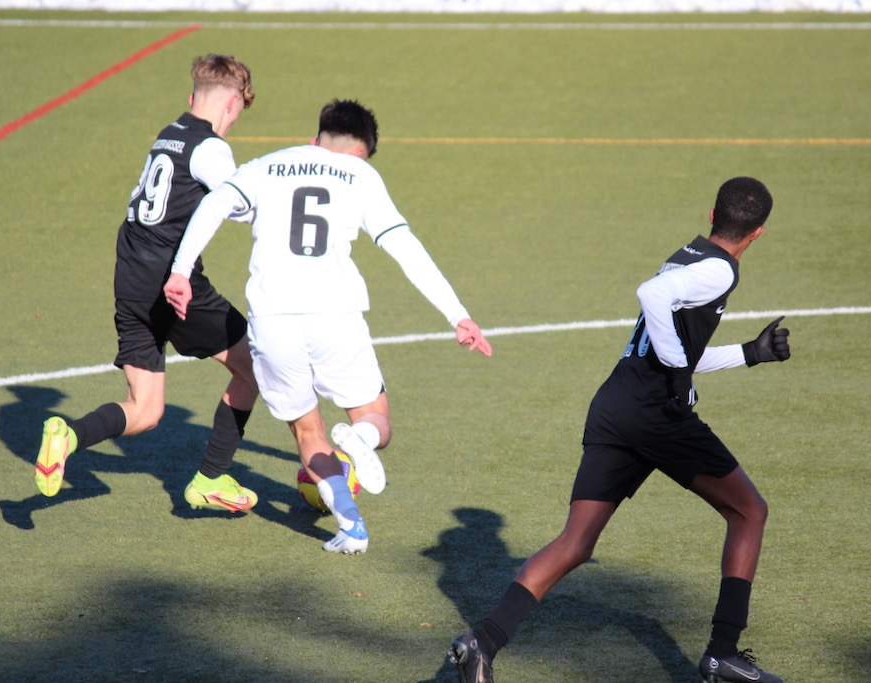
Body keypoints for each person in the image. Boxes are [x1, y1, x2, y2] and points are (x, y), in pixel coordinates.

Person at [448, 177, 790, 683]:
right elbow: (653, 301)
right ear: (758, 232)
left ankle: (483, 642)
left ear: (711, 213)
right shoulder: (719, 269)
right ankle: (722, 654)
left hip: (616, 404)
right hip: (656, 414)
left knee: (576, 541)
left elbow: (671, 344)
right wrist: (680, 374)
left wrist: (749, 354)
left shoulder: (688, 254)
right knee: (749, 512)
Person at [163, 99, 493, 555]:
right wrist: (458, 315)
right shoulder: (361, 176)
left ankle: (352, 527)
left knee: (308, 432)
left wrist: (180, 271)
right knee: (377, 420)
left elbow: (213, 205)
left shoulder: (267, 165)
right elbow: (404, 246)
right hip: (334, 316)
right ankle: (360, 439)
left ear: (315, 139)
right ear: (360, 152)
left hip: (272, 321)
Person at [34, 54, 261, 513]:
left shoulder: (168, 135)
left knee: (146, 409)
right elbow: (241, 206)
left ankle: (68, 436)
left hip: (131, 279)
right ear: (232, 103)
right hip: (171, 285)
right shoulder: (210, 148)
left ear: (192, 97)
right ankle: (211, 479)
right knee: (254, 365)